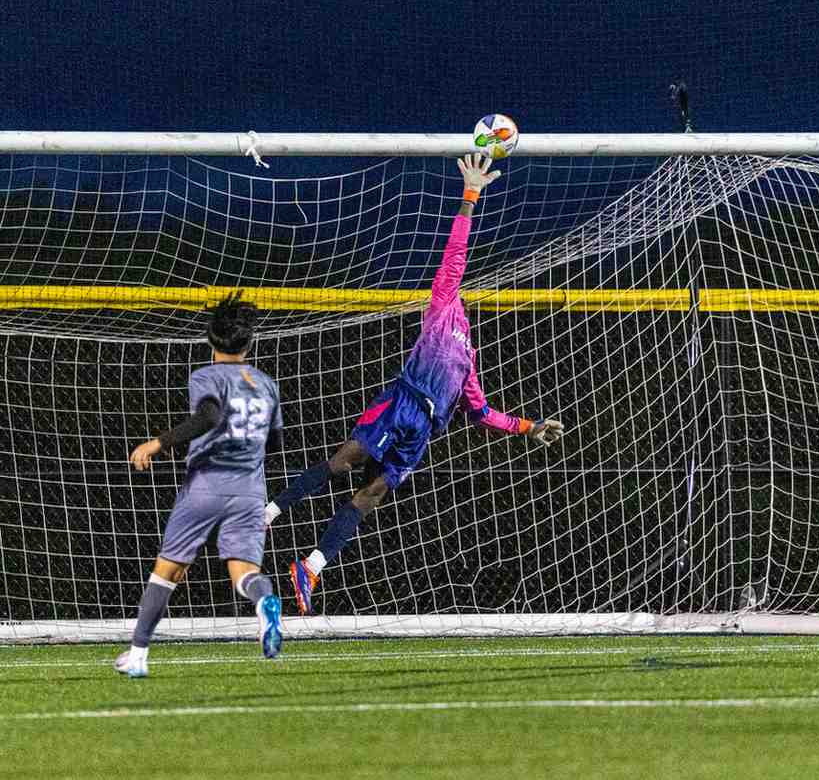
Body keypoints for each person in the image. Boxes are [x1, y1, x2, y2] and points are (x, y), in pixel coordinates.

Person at [264, 154, 565, 615]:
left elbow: (482, 412)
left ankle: (312, 565)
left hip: (422, 430)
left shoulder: (468, 357)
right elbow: (455, 253)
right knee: (347, 461)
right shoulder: (444, 301)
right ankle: (266, 514)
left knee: (373, 493)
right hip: (403, 400)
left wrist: (528, 426)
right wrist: (471, 194)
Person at [114, 294, 284, 678]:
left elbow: (209, 415)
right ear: (248, 343)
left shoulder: (205, 377)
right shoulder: (267, 384)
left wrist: (158, 443)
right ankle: (265, 603)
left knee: (166, 573)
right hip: (249, 490)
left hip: (207, 483)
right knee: (244, 573)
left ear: (211, 342)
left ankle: (138, 656)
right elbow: (274, 444)